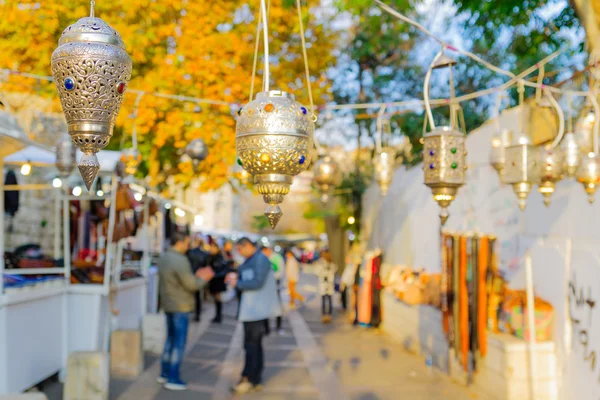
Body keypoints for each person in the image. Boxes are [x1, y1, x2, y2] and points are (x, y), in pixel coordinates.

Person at [157, 232, 215, 391]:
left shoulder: (164, 257)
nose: (188, 246)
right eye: (187, 242)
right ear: (181, 242)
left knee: (170, 340)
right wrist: (204, 278)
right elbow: (192, 285)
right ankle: (173, 377)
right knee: (178, 343)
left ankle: (165, 372)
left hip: (169, 304)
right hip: (180, 305)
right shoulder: (179, 260)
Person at [226, 237, 281, 394]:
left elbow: (257, 282)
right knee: (252, 345)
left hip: (257, 311)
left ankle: (250, 377)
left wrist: (237, 283)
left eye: (240, 249)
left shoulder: (260, 260)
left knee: (252, 345)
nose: (240, 253)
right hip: (251, 310)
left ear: (248, 246)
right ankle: (252, 376)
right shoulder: (252, 260)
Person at [261, 246, 285, 335]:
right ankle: (266, 328)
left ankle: (278, 327)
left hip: (275, 286)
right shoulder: (262, 258)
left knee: (277, 307)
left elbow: (281, 272)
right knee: (264, 307)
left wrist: (270, 277)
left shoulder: (277, 258)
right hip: (264, 287)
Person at [187, 236, 209, 322]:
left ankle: (192, 311)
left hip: (190, 275)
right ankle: (197, 313)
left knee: (191, 295)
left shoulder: (190, 252)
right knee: (197, 296)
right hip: (199, 277)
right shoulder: (204, 254)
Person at [207, 239, 229, 324]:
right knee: (216, 299)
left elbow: (222, 269)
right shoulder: (211, 256)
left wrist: (214, 274)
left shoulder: (219, 257)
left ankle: (218, 316)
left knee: (218, 299)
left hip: (218, 281)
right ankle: (217, 315)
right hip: (214, 280)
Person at [316, 249, 338, 323]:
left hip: (329, 283)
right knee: (323, 300)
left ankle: (329, 315)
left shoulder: (331, 263)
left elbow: (333, 271)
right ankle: (324, 315)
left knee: (329, 300)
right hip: (323, 283)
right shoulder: (320, 263)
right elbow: (317, 272)